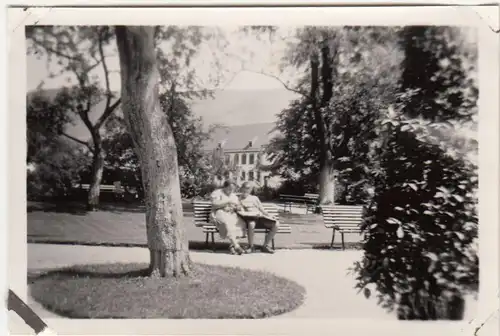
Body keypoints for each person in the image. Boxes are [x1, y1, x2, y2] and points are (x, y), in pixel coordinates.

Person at [238, 182, 279, 254]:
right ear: (241, 189)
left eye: (247, 191)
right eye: (243, 191)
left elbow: (262, 209)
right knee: (251, 224)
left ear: (250, 190)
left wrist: (269, 215)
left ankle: (265, 246)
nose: (245, 193)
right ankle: (251, 247)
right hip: (249, 220)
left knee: (276, 224)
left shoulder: (254, 198)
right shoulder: (239, 199)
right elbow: (240, 212)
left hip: (260, 218)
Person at [210, 180, 247, 255]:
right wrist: (227, 202)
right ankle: (236, 246)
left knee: (241, 223)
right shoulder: (217, 193)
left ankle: (232, 246)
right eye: (230, 188)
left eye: (233, 189)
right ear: (224, 187)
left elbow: (237, 205)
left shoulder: (233, 195)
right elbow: (214, 204)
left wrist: (237, 207)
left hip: (231, 213)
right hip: (219, 212)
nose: (231, 190)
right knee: (227, 223)